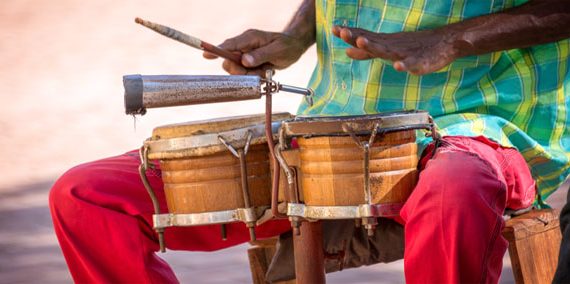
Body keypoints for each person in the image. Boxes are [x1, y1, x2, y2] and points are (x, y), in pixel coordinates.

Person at [49, 0, 570, 283]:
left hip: (472, 120)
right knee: (86, 197)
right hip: (329, 126)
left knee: (456, 189)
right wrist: (297, 34)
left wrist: (454, 38)